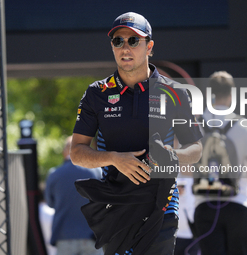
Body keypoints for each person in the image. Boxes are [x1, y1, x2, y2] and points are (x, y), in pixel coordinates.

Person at [70, 12, 203, 255]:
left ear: (149, 46)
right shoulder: (96, 93)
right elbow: (77, 152)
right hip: (116, 206)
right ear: (112, 47)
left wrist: (171, 155)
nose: (125, 48)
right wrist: (113, 158)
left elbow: (195, 150)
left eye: (133, 41)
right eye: (118, 41)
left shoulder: (175, 92)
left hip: (161, 206)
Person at [192, 71, 247, 255]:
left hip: (204, 206)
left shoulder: (195, 125)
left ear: (210, 94)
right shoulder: (244, 126)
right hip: (238, 205)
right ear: (232, 95)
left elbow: (185, 168)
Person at [45, 136, 103, 255]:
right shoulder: (97, 172)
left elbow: (50, 203)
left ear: (64, 152)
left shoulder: (54, 174)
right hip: (92, 237)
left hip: (64, 237)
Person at [174, 178, 199, 255]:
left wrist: (184, 197)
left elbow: (193, 214)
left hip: (191, 236)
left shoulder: (192, 184)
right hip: (175, 235)